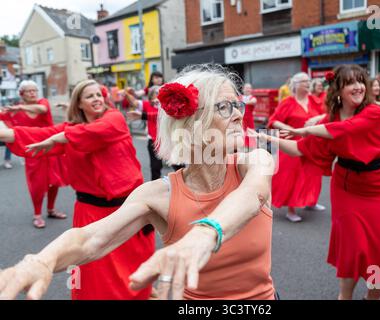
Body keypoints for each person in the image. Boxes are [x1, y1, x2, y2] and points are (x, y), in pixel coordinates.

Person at [0, 65, 276, 301]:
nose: (239, 114)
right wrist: (41, 260)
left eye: (236, 104)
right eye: (225, 107)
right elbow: (89, 238)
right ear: (192, 125)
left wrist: (204, 235)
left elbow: (252, 196)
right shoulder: (157, 194)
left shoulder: (256, 162)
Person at [255, 64, 380, 299]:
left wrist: (307, 130)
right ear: (338, 89)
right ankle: (344, 296)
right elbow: (299, 149)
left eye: (361, 81)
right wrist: (269, 138)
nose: (358, 86)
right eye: (350, 82)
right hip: (346, 190)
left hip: (378, 189)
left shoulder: (372, 113)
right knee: (353, 249)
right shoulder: (332, 118)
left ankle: (371, 297)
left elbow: (347, 129)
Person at [0, 80, 155, 300]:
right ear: (79, 104)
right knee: (94, 277)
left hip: (128, 212)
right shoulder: (70, 132)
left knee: (134, 273)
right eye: (90, 96)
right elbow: (33, 135)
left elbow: (97, 132)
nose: (97, 99)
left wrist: (58, 138)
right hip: (91, 214)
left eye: (99, 95)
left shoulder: (114, 118)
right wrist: (7, 134)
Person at [0, 80, 67, 229]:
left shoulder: (42, 103)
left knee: (54, 182)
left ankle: (51, 209)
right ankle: (37, 214)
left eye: (34, 90)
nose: (33, 93)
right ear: (21, 94)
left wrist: (20, 107)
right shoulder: (14, 111)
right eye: (29, 91)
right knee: (37, 184)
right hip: (33, 152)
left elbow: (42, 109)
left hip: (51, 148)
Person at [268, 72, 325, 223]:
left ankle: (311, 202)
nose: (308, 84)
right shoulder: (288, 102)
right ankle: (291, 209)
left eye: (309, 81)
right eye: (304, 81)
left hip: (311, 144)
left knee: (313, 175)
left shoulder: (315, 101)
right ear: (296, 84)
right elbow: (273, 121)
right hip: (291, 144)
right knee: (292, 177)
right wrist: (288, 128)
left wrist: (316, 118)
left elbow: (327, 116)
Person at [239, 83, 257, 148]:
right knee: (242, 132)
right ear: (243, 89)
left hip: (249, 119)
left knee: (250, 132)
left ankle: (251, 147)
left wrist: (243, 103)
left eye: (249, 88)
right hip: (241, 119)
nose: (248, 89)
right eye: (246, 88)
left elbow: (254, 101)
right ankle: (243, 146)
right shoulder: (240, 97)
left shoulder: (252, 98)